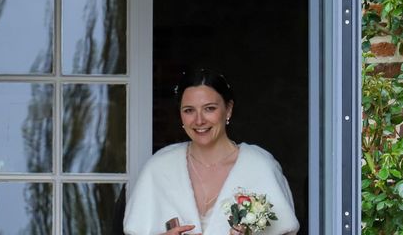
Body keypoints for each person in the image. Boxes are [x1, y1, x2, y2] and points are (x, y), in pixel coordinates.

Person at [123, 68, 300, 235]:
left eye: (209, 108)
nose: (199, 120)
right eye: (189, 110)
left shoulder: (259, 166)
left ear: (228, 109)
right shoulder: (160, 167)